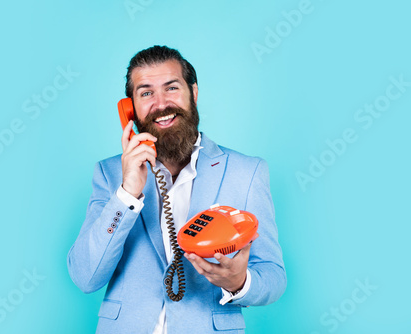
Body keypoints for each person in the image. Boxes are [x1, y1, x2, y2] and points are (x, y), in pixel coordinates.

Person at [67, 45, 286, 334]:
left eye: (171, 88)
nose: (161, 104)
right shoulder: (110, 173)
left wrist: (239, 282)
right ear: (130, 109)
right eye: (146, 93)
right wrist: (127, 194)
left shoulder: (247, 172)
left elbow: (273, 277)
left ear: (193, 93)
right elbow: (85, 277)